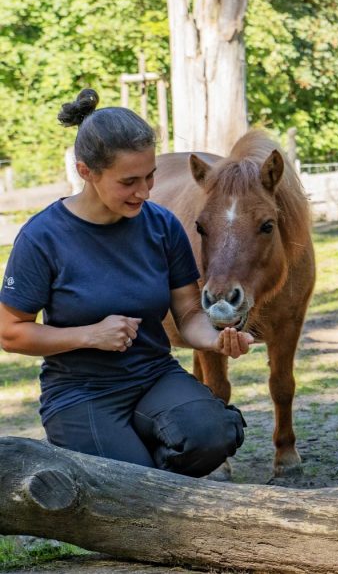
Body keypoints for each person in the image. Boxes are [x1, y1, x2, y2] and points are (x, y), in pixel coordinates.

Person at [0, 89, 253, 477]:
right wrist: (89, 335)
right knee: (130, 482)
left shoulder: (161, 225)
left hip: (153, 376)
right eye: (129, 181)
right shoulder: (43, 237)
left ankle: (144, 474)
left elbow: (187, 312)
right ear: (86, 172)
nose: (145, 191)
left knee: (214, 433)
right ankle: (131, 473)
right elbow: (10, 333)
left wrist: (216, 338)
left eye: (150, 176)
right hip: (79, 393)